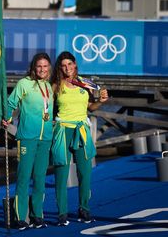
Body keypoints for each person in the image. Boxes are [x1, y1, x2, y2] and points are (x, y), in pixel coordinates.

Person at [51, 51, 108, 226]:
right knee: (61, 173)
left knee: (85, 173)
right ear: (60, 68)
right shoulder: (56, 85)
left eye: (70, 64)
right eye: (63, 65)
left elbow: (92, 107)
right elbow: (47, 108)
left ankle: (84, 208)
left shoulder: (85, 83)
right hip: (62, 131)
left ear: (75, 64)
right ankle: (62, 212)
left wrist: (102, 101)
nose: (67, 68)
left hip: (82, 130)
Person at [2, 53, 54, 230]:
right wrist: (7, 118)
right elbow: (11, 103)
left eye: (45, 66)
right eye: (39, 66)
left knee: (40, 178)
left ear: (49, 68)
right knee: (24, 178)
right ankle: (20, 217)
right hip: (27, 137)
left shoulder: (48, 86)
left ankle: (37, 215)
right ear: (33, 67)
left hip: (45, 139)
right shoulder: (24, 83)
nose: (42, 69)